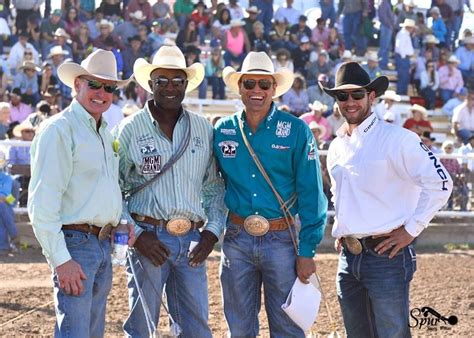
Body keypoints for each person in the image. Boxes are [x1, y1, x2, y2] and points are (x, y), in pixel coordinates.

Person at [323, 61, 452, 337]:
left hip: (387, 256)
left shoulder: (399, 139)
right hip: (348, 257)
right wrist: (346, 225)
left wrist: (411, 230)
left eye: (357, 94)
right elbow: (339, 191)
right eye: (342, 96)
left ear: (372, 96)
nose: (350, 101)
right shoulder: (336, 145)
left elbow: (442, 183)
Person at [214, 51, 327, 337]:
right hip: (237, 236)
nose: (256, 91)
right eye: (249, 84)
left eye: (264, 85)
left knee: (288, 327)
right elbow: (211, 184)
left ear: (274, 89)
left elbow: (312, 195)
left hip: (282, 239)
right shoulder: (222, 130)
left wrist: (307, 250)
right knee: (238, 327)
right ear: (239, 87)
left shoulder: (297, 131)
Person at [116, 45, 226, 337]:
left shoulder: (203, 129)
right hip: (147, 239)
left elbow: (214, 186)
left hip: (191, 239)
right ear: (149, 84)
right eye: (161, 81)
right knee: (142, 327)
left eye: (177, 81)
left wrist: (212, 232)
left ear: (186, 85)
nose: (169, 87)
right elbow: (112, 189)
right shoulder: (128, 130)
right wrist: (137, 236)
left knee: (196, 328)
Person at [27, 49, 134, 337]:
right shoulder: (59, 130)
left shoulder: (104, 132)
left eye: (109, 87)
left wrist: (121, 219)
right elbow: (43, 201)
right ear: (77, 85)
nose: (102, 93)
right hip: (76, 243)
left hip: (100, 244)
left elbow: (110, 187)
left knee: (88, 332)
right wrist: (61, 259)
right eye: (94, 85)